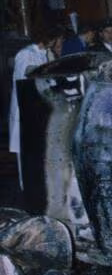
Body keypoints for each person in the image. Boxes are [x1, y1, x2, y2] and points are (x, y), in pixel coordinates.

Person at [8, 31, 58, 190]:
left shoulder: (45, 54)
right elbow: (24, 80)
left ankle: (37, 187)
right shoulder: (25, 54)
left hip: (39, 111)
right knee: (25, 154)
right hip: (25, 109)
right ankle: (26, 188)